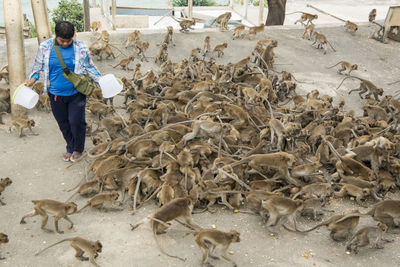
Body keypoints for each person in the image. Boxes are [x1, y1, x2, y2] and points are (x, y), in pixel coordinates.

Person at [25, 21, 101, 162]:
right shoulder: (45, 47)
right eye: (62, 41)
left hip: (76, 93)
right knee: (63, 123)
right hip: (55, 94)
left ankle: (78, 148)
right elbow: (37, 67)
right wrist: (32, 79)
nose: (65, 43)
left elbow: (89, 66)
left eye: (68, 41)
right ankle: (70, 146)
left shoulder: (81, 47)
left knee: (76, 122)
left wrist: (101, 80)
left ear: (73, 36)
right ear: (55, 36)